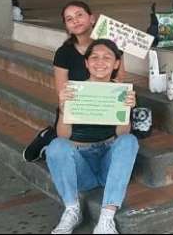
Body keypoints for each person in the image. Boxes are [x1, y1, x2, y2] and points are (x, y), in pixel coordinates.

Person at [47, 39, 139, 234]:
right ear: (86, 63)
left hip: (108, 162)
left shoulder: (121, 92)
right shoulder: (74, 91)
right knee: (55, 145)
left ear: (116, 64)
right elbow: (64, 136)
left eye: (107, 57)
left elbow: (122, 134)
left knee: (129, 141)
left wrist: (125, 110)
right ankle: (72, 210)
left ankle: (106, 219)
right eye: (94, 57)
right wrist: (64, 108)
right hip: (81, 165)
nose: (100, 62)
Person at [23, 2, 125, 163]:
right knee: (65, 141)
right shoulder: (64, 53)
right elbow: (62, 90)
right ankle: (48, 136)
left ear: (92, 18)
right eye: (69, 19)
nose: (75, 21)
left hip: (104, 102)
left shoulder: (109, 46)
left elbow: (119, 80)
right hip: (78, 105)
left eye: (79, 15)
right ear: (67, 27)